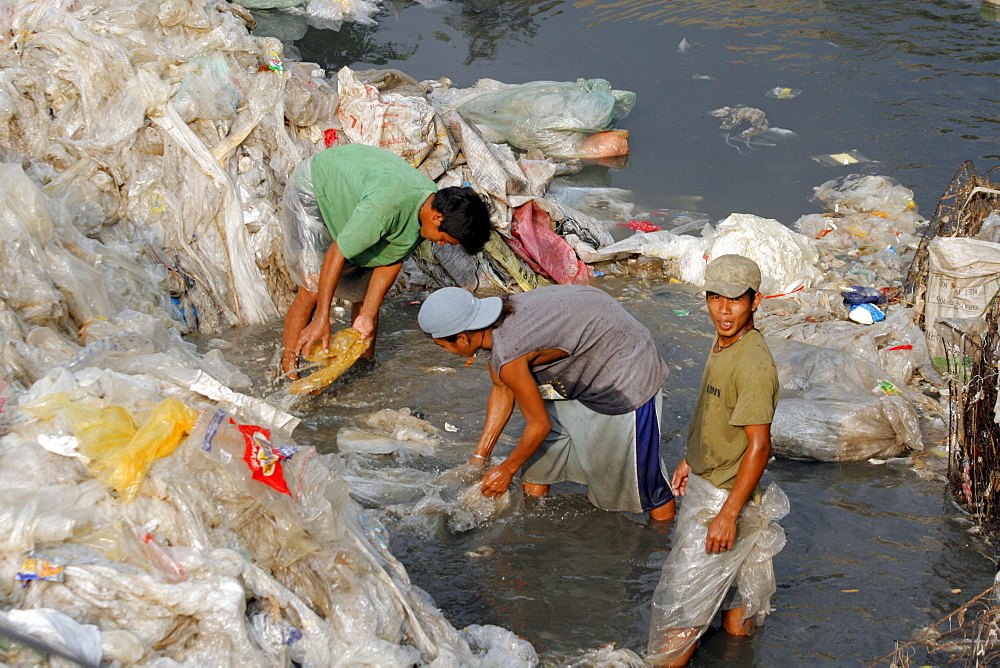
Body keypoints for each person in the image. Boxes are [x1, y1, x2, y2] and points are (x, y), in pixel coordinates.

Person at [417, 284, 676, 520]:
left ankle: (661, 547)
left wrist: (507, 469)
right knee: (536, 472)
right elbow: (501, 388)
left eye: (444, 346)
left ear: (462, 338)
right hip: (587, 352)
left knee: (642, 484)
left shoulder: (509, 352)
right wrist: (479, 458)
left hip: (625, 371)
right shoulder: (496, 318)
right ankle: (536, 525)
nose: (446, 352)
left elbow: (539, 424)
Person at [646, 254, 788, 666]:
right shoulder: (727, 339)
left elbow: (760, 446)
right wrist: (692, 457)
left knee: (678, 618)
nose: (723, 311)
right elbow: (716, 411)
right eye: (715, 298)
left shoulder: (754, 365)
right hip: (721, 486)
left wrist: (727, 514)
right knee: (735, 620)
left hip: (725, 499)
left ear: (755, 301)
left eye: (735, 301)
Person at [280, 143, 491, 378]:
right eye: (444, 239)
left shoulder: (425, 215)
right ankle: (289, 371)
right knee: (312, 290)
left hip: (355, 199)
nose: (440, 244)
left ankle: (362, 366)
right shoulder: (387, 207)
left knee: (364, 293)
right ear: (437, 217)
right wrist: (322, 317)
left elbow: (390, 259)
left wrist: (368, 315)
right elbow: (336, 253)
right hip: (316, 188)